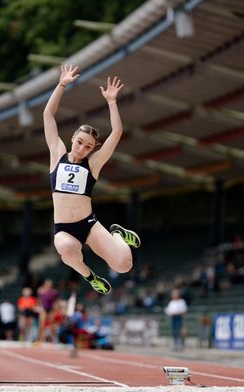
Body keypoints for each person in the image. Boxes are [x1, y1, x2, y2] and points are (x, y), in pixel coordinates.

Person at [43, 64, 141, 294]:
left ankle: (117, 234)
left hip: (88, 224)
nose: (82, 148)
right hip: (64, 228)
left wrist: (112, 102)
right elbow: (48, 115)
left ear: (91, 149)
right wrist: (61, 84)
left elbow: (116, 133)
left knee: (124, 265)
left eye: (88, 146)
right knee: (67, 248)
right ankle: (89, 276)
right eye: (79, 142)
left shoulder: (93, 164)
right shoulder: (57, 154)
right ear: (73, 138)